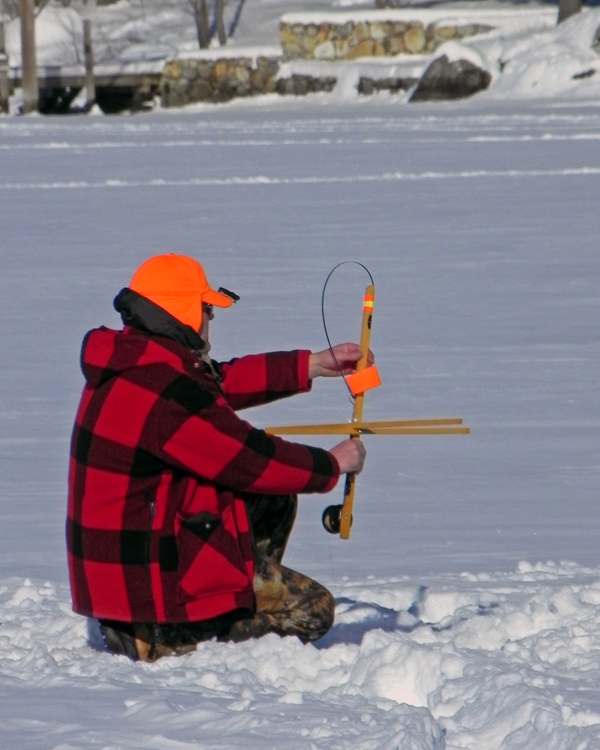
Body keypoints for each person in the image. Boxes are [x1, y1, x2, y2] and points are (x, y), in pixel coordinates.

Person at [67, 253, 369, 661]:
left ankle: (229, 598)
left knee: (274, 499)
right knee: (314, 610)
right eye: (206, 308)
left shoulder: (136, 362)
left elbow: (215, 384)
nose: (211, 318)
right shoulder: (168, 395)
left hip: (125, 576)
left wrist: (311, 365)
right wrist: (331, 465)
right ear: (183, 312)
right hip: (148, 587)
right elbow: (249, 459)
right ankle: (170, 635)